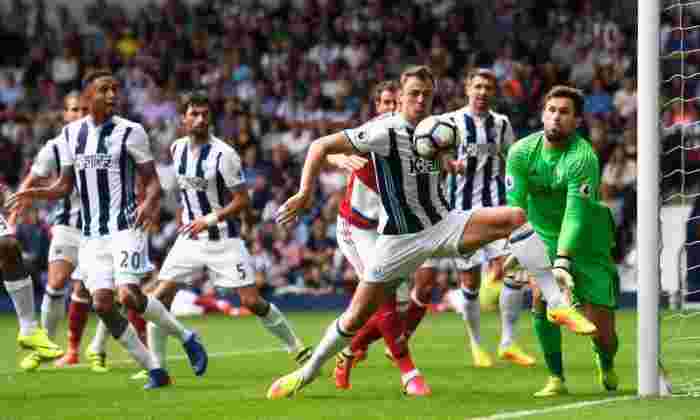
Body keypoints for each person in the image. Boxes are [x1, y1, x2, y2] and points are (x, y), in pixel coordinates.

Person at [267, 65, 527, 399]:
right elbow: (319, 146)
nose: (420, 99)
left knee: (516, 216)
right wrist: (305, 193)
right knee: (356, 316)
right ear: (401, 97)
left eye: (427, 94)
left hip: (443, 225)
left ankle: (551, 289)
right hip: (398, 240)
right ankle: (307, 372)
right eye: (414, 93)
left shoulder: (439, 129)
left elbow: (434, 160)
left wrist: (448, 161)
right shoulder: (383, 131)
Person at [8, 69, 207, 389]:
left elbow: (152, 182)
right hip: (90, 235)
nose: (113, 94)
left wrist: (149, 203)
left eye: (115, 89)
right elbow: (64, 186)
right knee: (101, 304)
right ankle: (156, 370)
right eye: (105, 89)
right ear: (89, 96)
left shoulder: (132, 132)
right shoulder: (72, 135)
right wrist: (34, 194)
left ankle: (187, 338)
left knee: (128, 295)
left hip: (125, 227)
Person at [145, 91, 311, 375]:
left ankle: (296, 347)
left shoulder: (224, 154)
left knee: (251, 301)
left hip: (223, 238)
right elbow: (186, 193)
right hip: (189, 239)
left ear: (210, 118)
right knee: (158, 300)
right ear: (183, 119)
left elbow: (242, 199)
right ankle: (157, 369)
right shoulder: (176, 149)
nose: (199, 119)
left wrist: (211, 219)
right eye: (193, 114)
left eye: (204, 114)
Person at [505, 85, 620, 397]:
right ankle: (556, 377)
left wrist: (563, 260)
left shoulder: (583, 157)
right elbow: (514, 207)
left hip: (587, 240)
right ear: (543, 114)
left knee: (603, 331)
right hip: (541, 236)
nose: (556, 117)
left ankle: (605, 357)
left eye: (564, 112)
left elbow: (575, 214)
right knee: (542, 303)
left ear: (577, 121)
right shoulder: (521, 152)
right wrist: (515, 246)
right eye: (551, 110)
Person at [327, 80, 431, 396]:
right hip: (357, 229)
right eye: (384, 102)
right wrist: (341, 158)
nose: (389, 108)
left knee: (397, 306)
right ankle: (409, 374)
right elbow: (327, 148)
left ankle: (347, 352)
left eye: (393, 102)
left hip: (388, 229)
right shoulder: (371, 132)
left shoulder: (413, 136)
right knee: (384, 297)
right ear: (377, 106)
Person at [440, 69, 535, 368]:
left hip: (497, 209)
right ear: (467, 88)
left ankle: (508, 341)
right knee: (469, 282)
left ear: (494, 93)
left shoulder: (502, 124)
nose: (482, 92)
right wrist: (446, 163)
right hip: (461, 214)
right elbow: (433, 155)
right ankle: (477, 345)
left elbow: (514, 160)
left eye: (488, 87)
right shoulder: (450, 122)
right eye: (477, 86)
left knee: (514, 271)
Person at [13, 91, 111, 372]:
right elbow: (33, 179)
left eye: (83, 109)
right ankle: (43, 347)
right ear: (65, 115)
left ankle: (94, 350)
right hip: (68, 224)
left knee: (94, 292)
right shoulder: (55, 146)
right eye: (73, 110)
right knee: (56, 283)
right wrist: (18, 204)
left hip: (102, 229)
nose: (79, 114)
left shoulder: (108, 141)